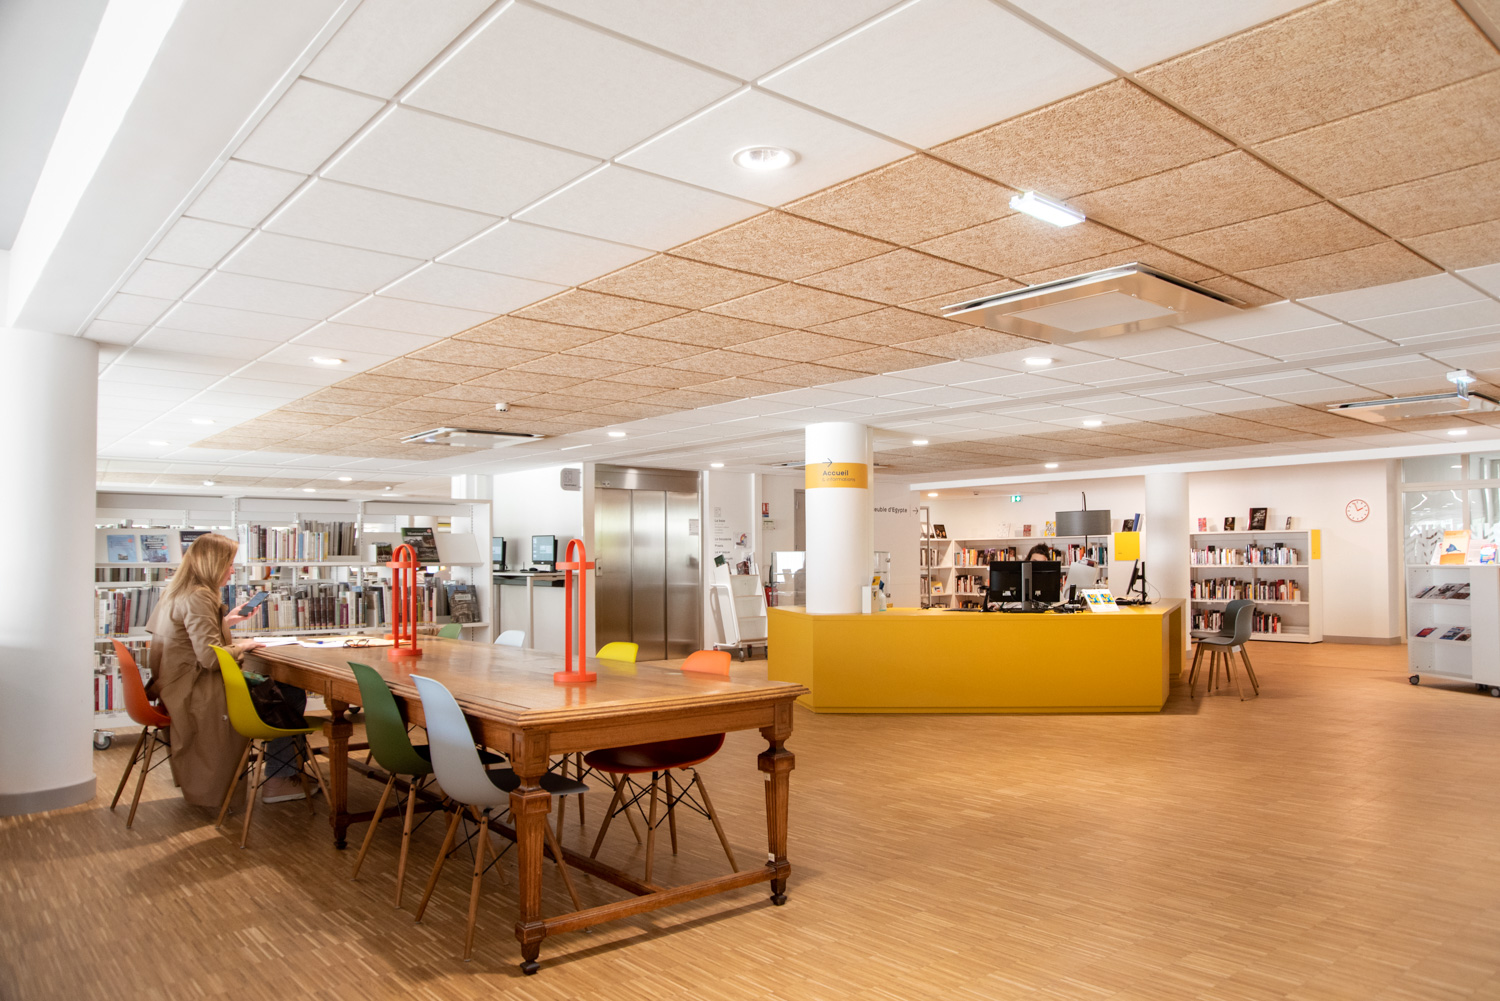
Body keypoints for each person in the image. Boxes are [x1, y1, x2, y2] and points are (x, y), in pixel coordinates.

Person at [145, 533, 308, 807]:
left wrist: (227, 621)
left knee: (277, 688)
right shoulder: (199, 597)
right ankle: (280, 779)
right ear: (213, 563)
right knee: (290, 693)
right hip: (197, 689)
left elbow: (187, 638)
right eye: (229, 563)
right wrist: (243, 645)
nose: (232, 571)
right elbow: (210, 658)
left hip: (173, 684)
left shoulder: (176, 591)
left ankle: (284, 776)